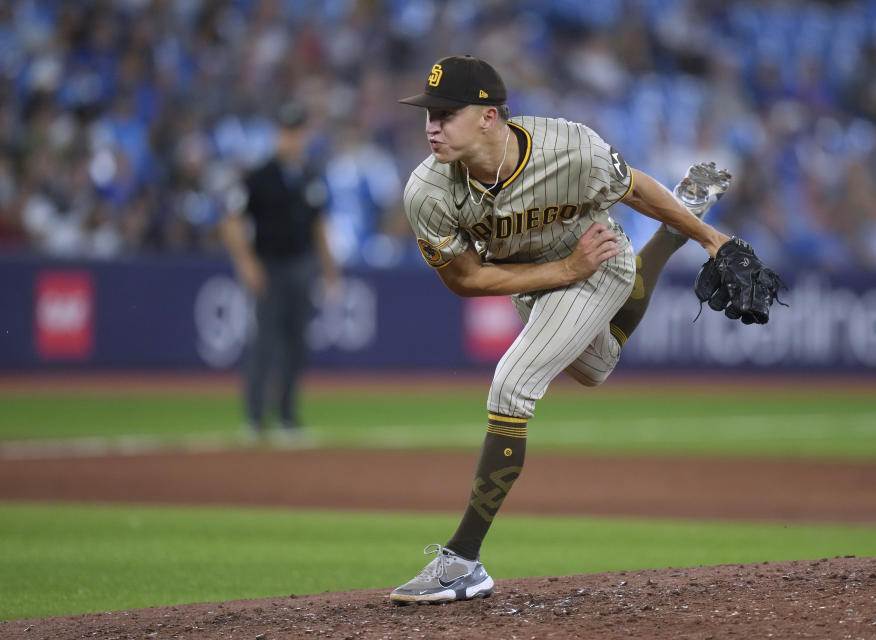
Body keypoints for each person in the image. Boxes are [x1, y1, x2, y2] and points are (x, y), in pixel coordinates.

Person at [390, 55, 737, 604]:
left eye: (445, 112)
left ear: (488, 115)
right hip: (541, 277)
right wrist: (561, 272)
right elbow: (465, 278)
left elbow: (637, 190)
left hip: (601, 261)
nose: (431, 125)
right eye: (427, 114)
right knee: (595, 369)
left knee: (512, 382)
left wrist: (708, 236)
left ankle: (463, 561)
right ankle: (664, 243)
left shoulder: (568, 147)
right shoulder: (428, 191)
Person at [220, 100, 340, 441]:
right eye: (287, 132)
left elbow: (319, 226)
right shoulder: (259, 176)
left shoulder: (309, 176)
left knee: (297, 342)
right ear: (277, 135)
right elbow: (230, 221)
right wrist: (246, 263)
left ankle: (287, 417)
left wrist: (331, 271)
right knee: (266, 342)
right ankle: (255, 419)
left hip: (302, 265)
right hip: (270, 266)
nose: (291, 139)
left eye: (297, 132)